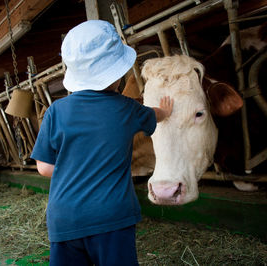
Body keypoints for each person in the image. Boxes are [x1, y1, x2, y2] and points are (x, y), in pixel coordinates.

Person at [31, 20, 173, 266]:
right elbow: (156, 115)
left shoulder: (56, 111)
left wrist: (75, 168)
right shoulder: (128, 109)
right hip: (112, 217)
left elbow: (43, 168)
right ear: (118, 73)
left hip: (64, 219)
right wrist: (166, 109)